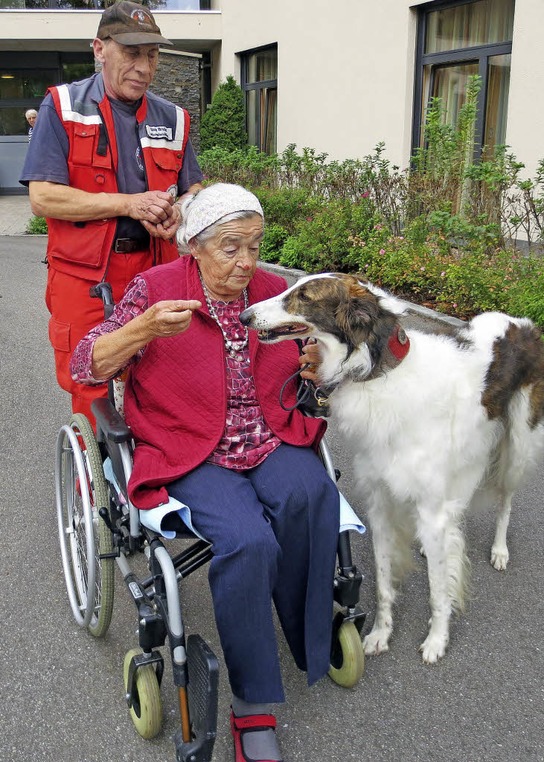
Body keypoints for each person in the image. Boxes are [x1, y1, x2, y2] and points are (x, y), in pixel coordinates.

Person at [70, 183, 339, 762]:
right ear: (193, 245)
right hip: (189, 446)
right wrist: (142, 331)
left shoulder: (274, 292)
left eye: (256, 245)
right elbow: (85, 361)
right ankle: (252, 702)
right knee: (247, 540)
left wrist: (318, 365)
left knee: (313, 495)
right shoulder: (156, 290)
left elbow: (316, 352)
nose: (247, 262)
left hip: (269, 433)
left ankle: (305, 637)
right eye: (231, 247)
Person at [20, 1, 203, 424]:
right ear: (100, 49)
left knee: (163, 371)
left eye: (152, 55)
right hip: (86, 276)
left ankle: (155, 466)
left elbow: (193, 189)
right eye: (131, 52)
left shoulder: (174, 118)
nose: (143, 65)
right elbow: (44, 197)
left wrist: (181, 210)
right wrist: (128, 203)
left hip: (157, 269)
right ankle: (102, 470)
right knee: (90, 379)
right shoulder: (62, 107)